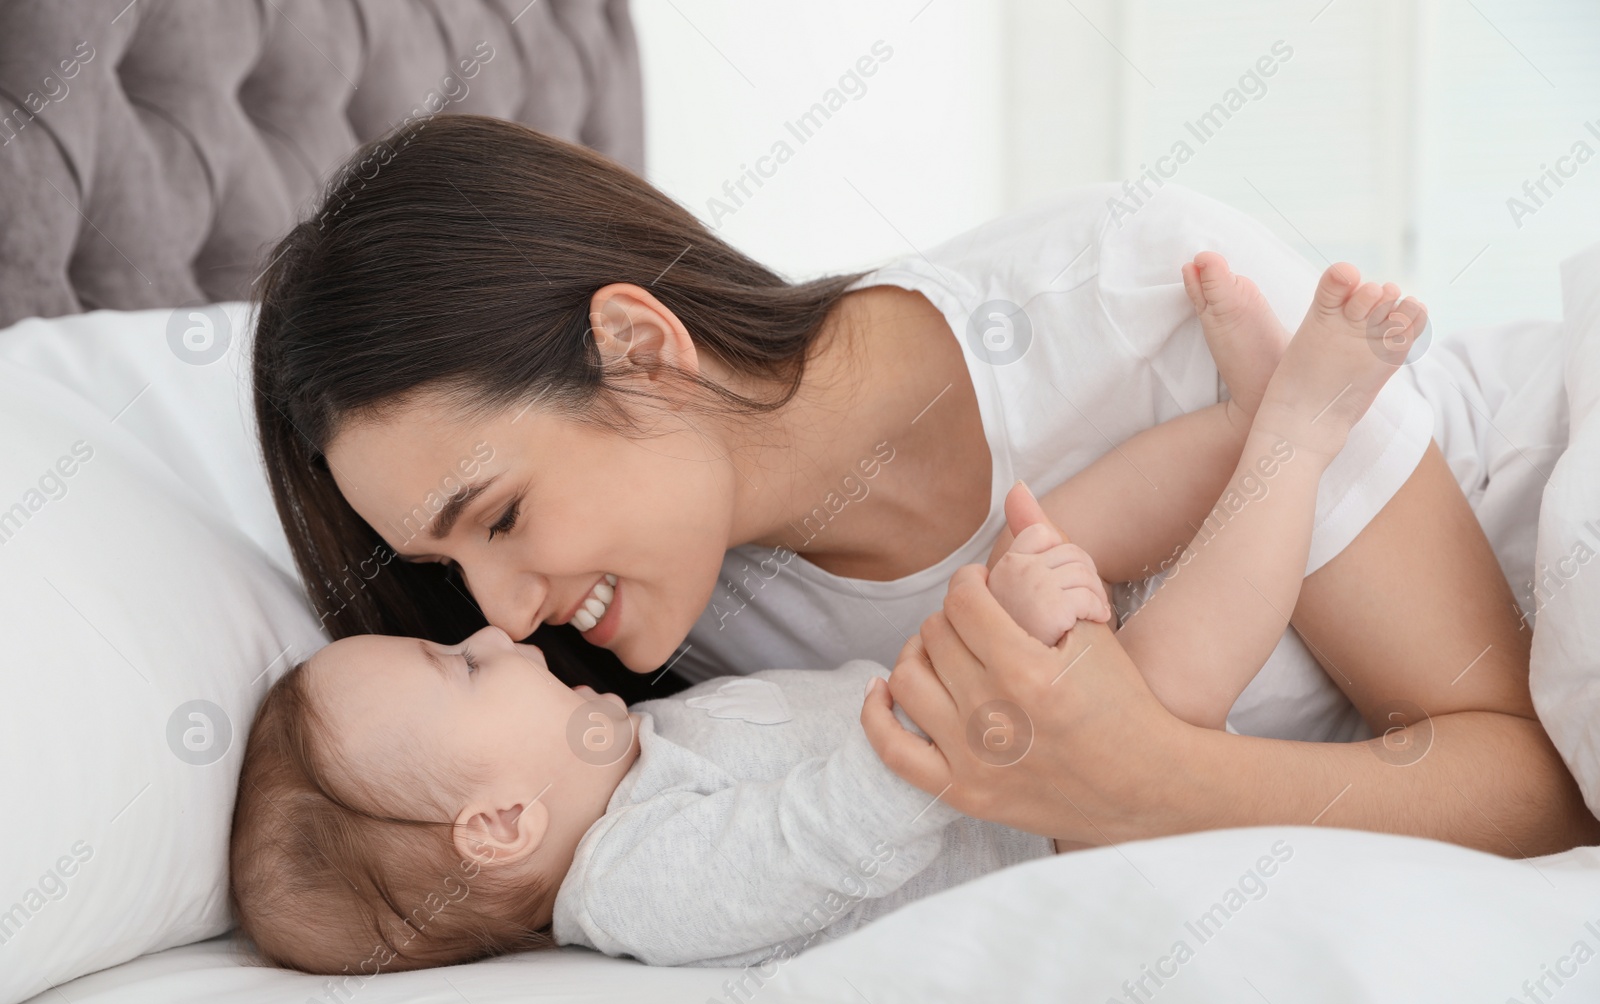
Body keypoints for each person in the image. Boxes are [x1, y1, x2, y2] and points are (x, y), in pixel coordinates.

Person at [250, 113, 1596, 862]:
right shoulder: (679, 683)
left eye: (498, 517)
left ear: (643, 348)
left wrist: (1158, 781)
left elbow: (1538, 781)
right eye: (451, 569)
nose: (503, 609)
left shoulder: (1132, 299)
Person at [231, 259, 1426, 971]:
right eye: (460, 669)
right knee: (1171, 675)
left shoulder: (648, 748)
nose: (495, 626)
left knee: (1043, 528)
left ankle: (1248, 416)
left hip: (996, 731)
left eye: (492, 527)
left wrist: (986, 633)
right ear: (497, 822)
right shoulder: (634, 885)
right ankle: (1300, 436)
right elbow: (819, 838)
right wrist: (949, 698)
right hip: (1058, 814)